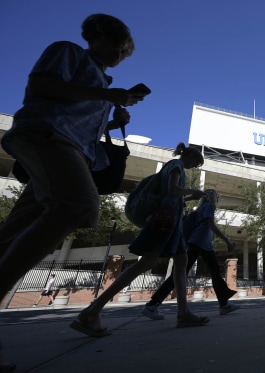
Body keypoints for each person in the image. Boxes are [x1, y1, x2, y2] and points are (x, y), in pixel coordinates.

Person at [0, 13, 142, 368]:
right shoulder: (68, 52)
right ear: (101, 36)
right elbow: (41, 88)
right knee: (79, 205)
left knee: (14, 231)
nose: (120, 56)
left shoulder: (101, 81)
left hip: (68, 146)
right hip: (48, 136)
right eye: (120, 48)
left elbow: (80, 122)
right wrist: (106, 94)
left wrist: (113, 118)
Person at [70, 143, 208, 337]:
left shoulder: (174, 167)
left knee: (181, 259)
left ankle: (183, 311)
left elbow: (171, 196)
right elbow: (172, 189)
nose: (195, 166)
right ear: (190, 157)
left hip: (171, 223)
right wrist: (195, 192)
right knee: (147, 263)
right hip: (164, 222)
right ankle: (91, 312)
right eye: (196, 162)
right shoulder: (176, 166)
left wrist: (189, 197)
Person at [142, 189, 238, 320]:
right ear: (210, 196)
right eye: (217, 195)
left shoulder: (201, 208)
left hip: (202, 244)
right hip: (199, 243)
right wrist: (227, 240)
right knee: (180, 274)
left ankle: (224, 304)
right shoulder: (209, 206)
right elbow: (211, 225)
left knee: (214, 272)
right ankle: (151, 305)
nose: (218, 197)